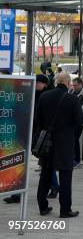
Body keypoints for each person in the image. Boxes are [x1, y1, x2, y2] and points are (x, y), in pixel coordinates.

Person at [36, 71, 82, 218]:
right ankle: (65, 209)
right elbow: (79, 122)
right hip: (65, 143)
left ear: (56, 82)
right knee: (65, 176)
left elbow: (38, 120)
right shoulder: (72, 99)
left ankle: (43, 206)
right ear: (68, 83)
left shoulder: (44, 96)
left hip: (47, 142)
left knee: (45, 174)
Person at [4, 73, 50, 205]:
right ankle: (16, 193)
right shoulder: (31, 94)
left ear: (44, 84)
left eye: (38, 82)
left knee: (44, 162)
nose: (35, 84)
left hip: (37, 134)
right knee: (20, 161)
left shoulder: (44, 96)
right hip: (25, 131)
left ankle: (54, 185)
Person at [70, 77, 83, 166]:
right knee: (72, 139)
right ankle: (72, 158)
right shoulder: (72, 92)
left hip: (80, 121)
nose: (73, 87)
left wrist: (72, 110)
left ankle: (76, 159)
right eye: (73, 85)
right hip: (72, 120)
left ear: (81, 84)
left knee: (75, 139)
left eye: (75, 85)